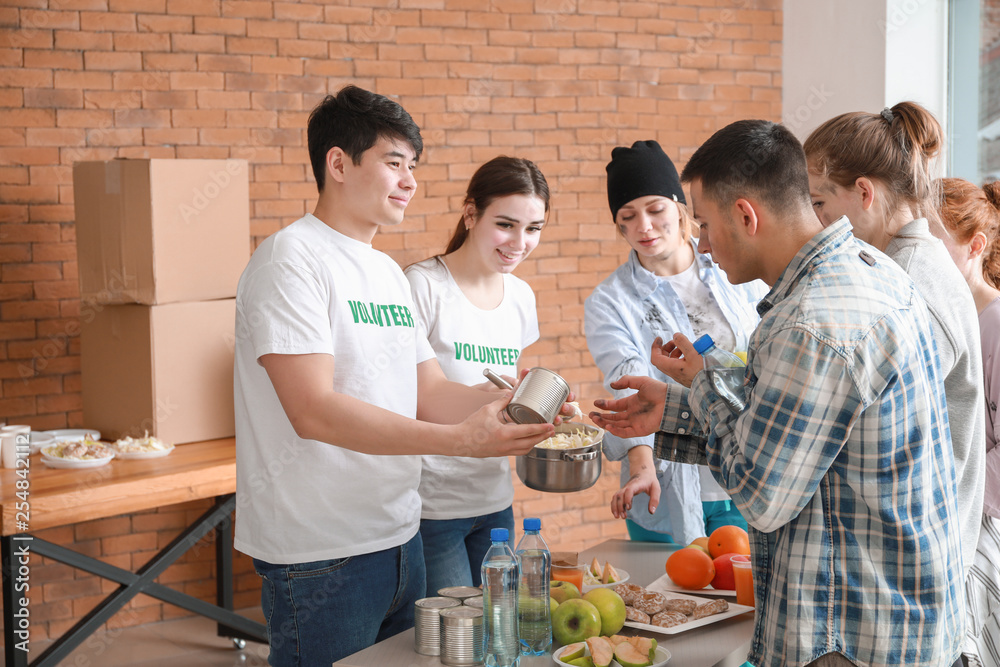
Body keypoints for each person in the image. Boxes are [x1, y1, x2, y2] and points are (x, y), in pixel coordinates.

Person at [590, 119, 965, 667]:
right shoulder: (868, 270)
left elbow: (762, 495)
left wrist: (696, 392)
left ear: (747, 215)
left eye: (706, 224)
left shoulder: (810, 323)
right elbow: (786, 423)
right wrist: (671, 408)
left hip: (854, 635)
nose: (707, 245)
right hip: (895, 622)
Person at [232, 86, 565, 665]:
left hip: (399, 536)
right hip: (320, 552)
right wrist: (457, 442)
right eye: (393, 163)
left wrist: (521, 406)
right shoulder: (291, 261)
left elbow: (430, 393)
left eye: (412, 166)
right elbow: (313, 410)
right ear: (338, 163)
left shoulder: (385, 273)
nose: (409, 181)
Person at [803, 102, 985, 581]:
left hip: (913, 569)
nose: (814, 220)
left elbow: (876, 428)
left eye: (819, 202)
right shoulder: (907, 267)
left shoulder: (908, 284)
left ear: (864, 192)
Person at [584, 140, 765, 545]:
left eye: (655, 209)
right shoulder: (610, 301)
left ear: (678, 206)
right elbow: (627, 378)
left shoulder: (736, 272)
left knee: (746, 601)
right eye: (627, 217)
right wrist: (641, 465)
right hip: (666, 483)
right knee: (677, 600)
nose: (643, 227)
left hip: (746, 473)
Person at [404, 156, 549, 595]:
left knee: (498, 629)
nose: (519, 242)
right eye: (506, 224)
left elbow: (507, 391)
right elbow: (407, 397)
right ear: (471, 213)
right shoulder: (423, 286)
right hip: (433, 505)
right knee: (455, 645)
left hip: (494, 501)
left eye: (534, 228)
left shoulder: (520, 296)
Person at [937, 177, 1000, 667]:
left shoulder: (996, 324)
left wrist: (949, 491)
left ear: (975, 247)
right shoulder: (945, 318)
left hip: (978, 526)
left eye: (935, 243)